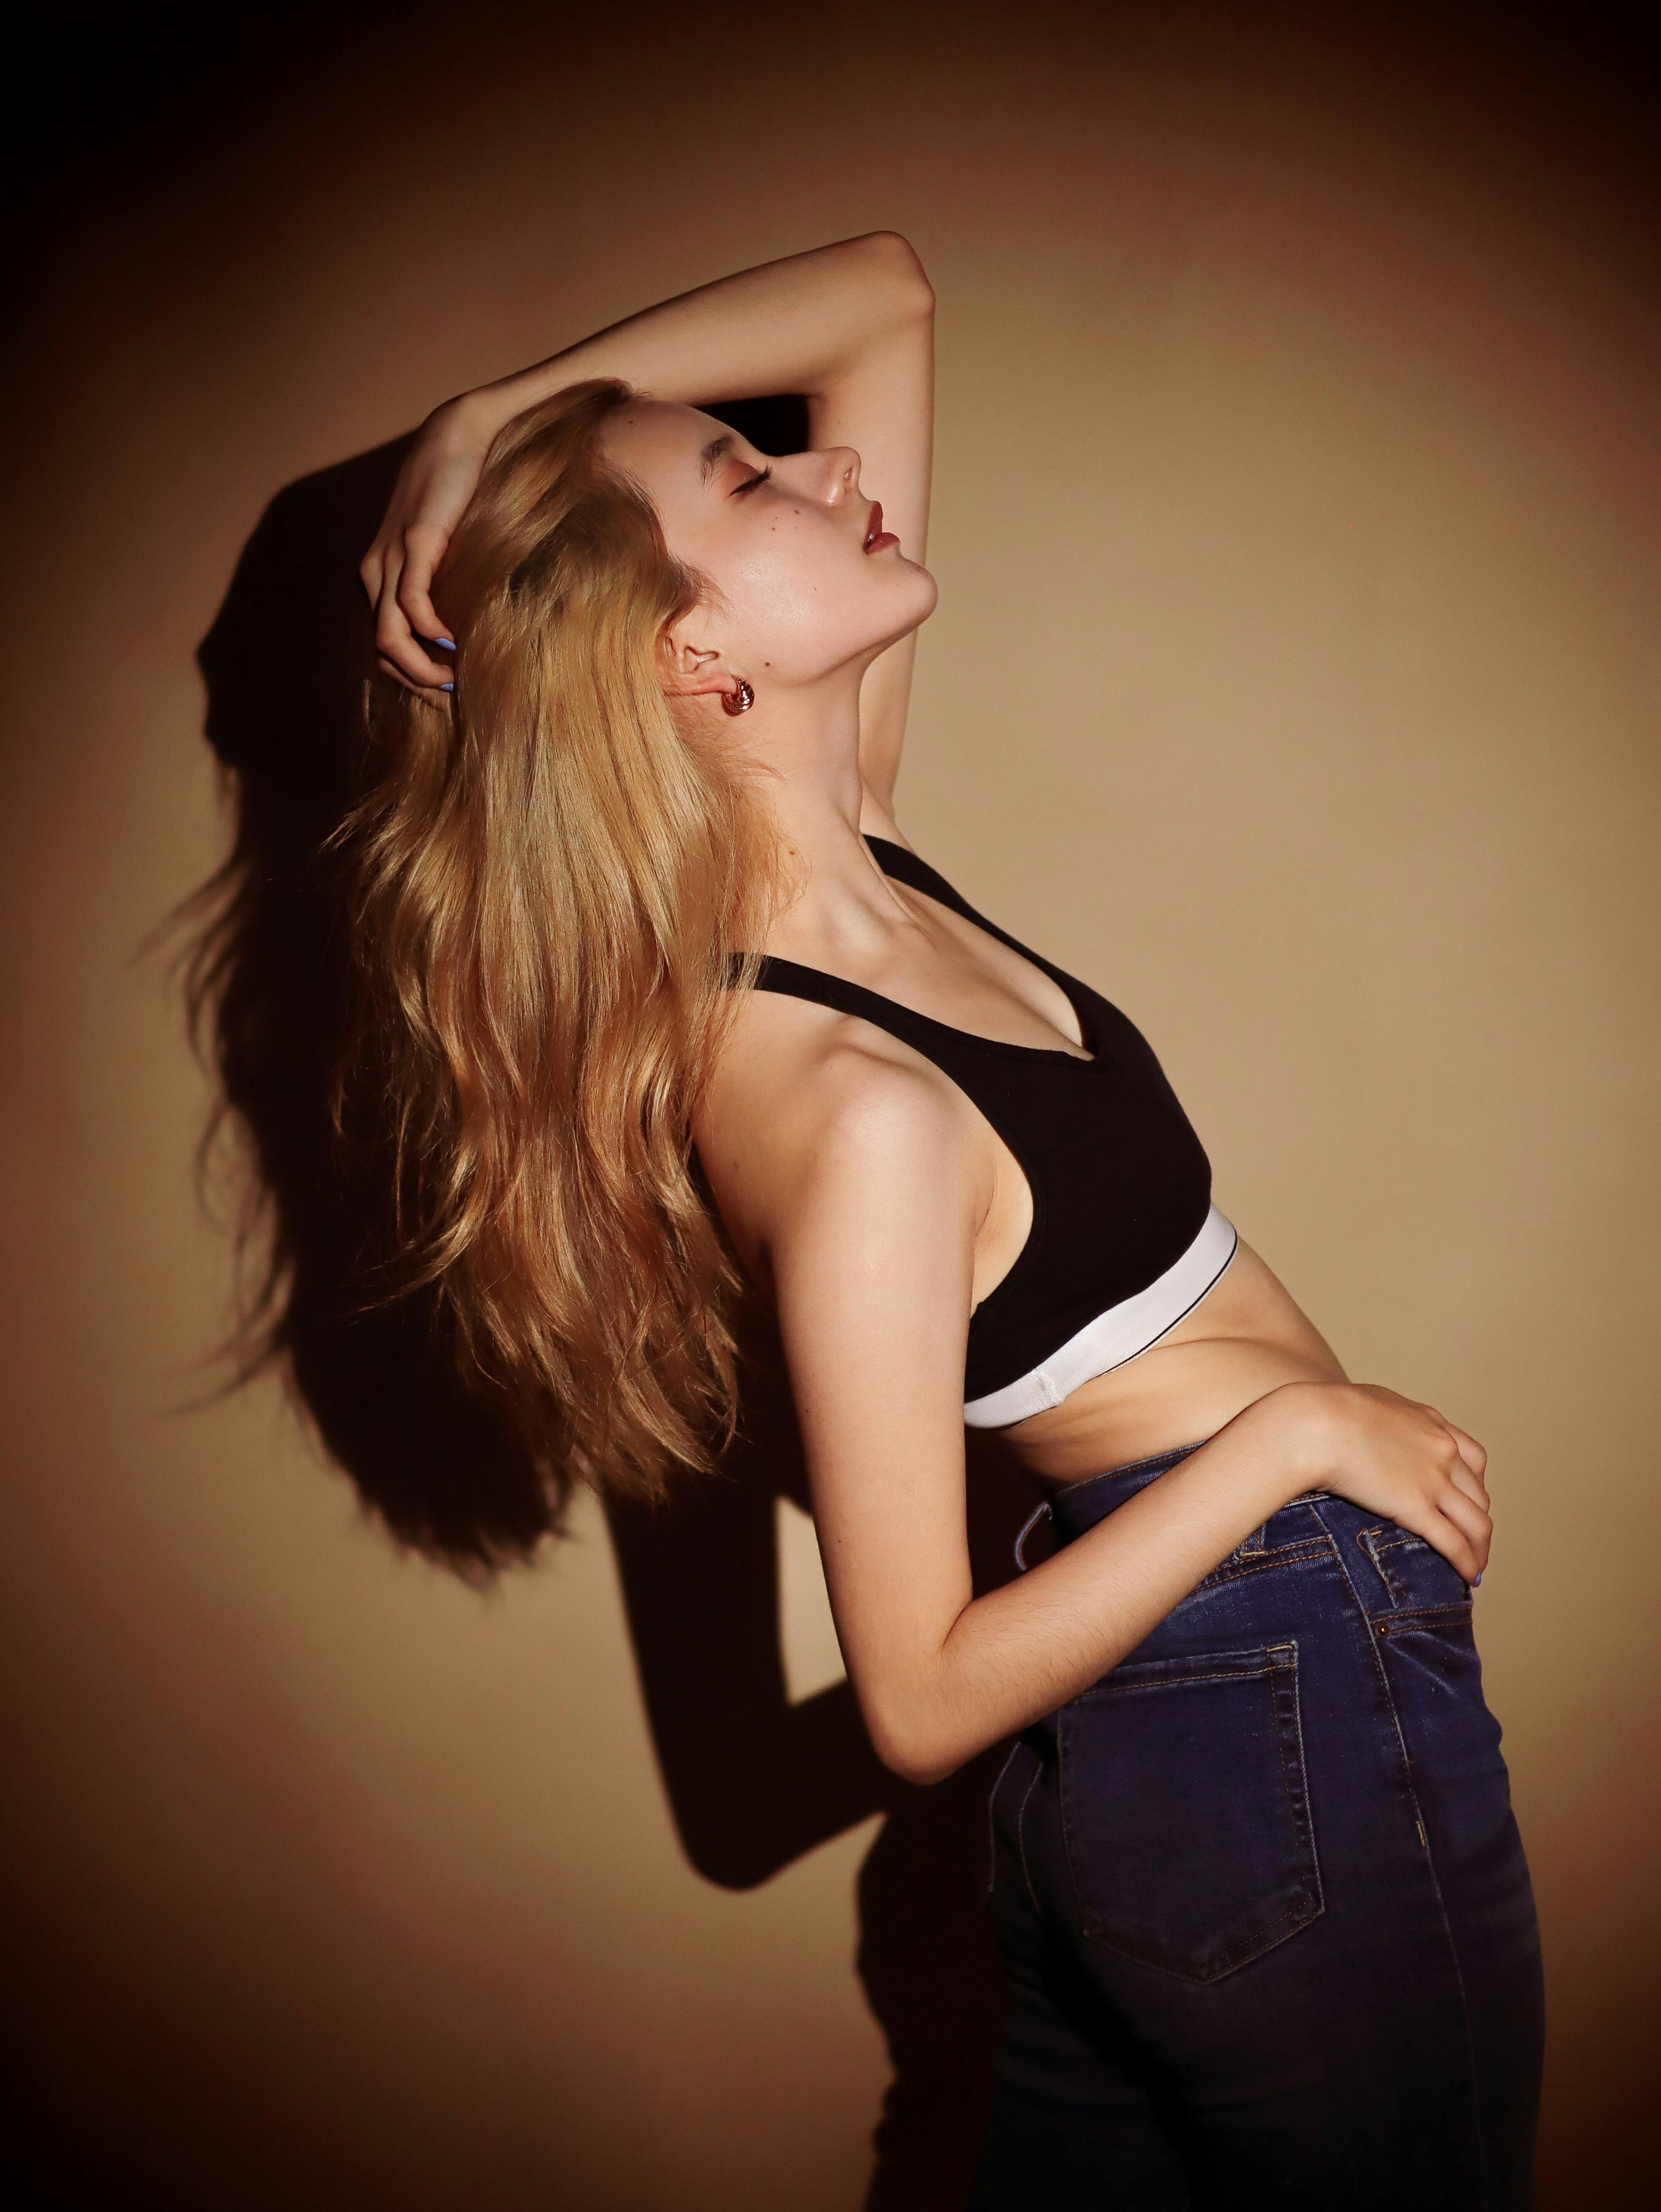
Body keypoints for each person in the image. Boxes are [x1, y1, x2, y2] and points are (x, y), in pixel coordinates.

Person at [350, 233, 1542, 2208]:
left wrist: (479, 422)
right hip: (1272, 1706)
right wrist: (1302, 1442)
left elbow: (882, 295)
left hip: (1174, 1760)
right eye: (747, 484)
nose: (825, 468)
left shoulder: (863, 855)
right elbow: (915, 1696)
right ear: (691, 658)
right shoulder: (842, 1106)